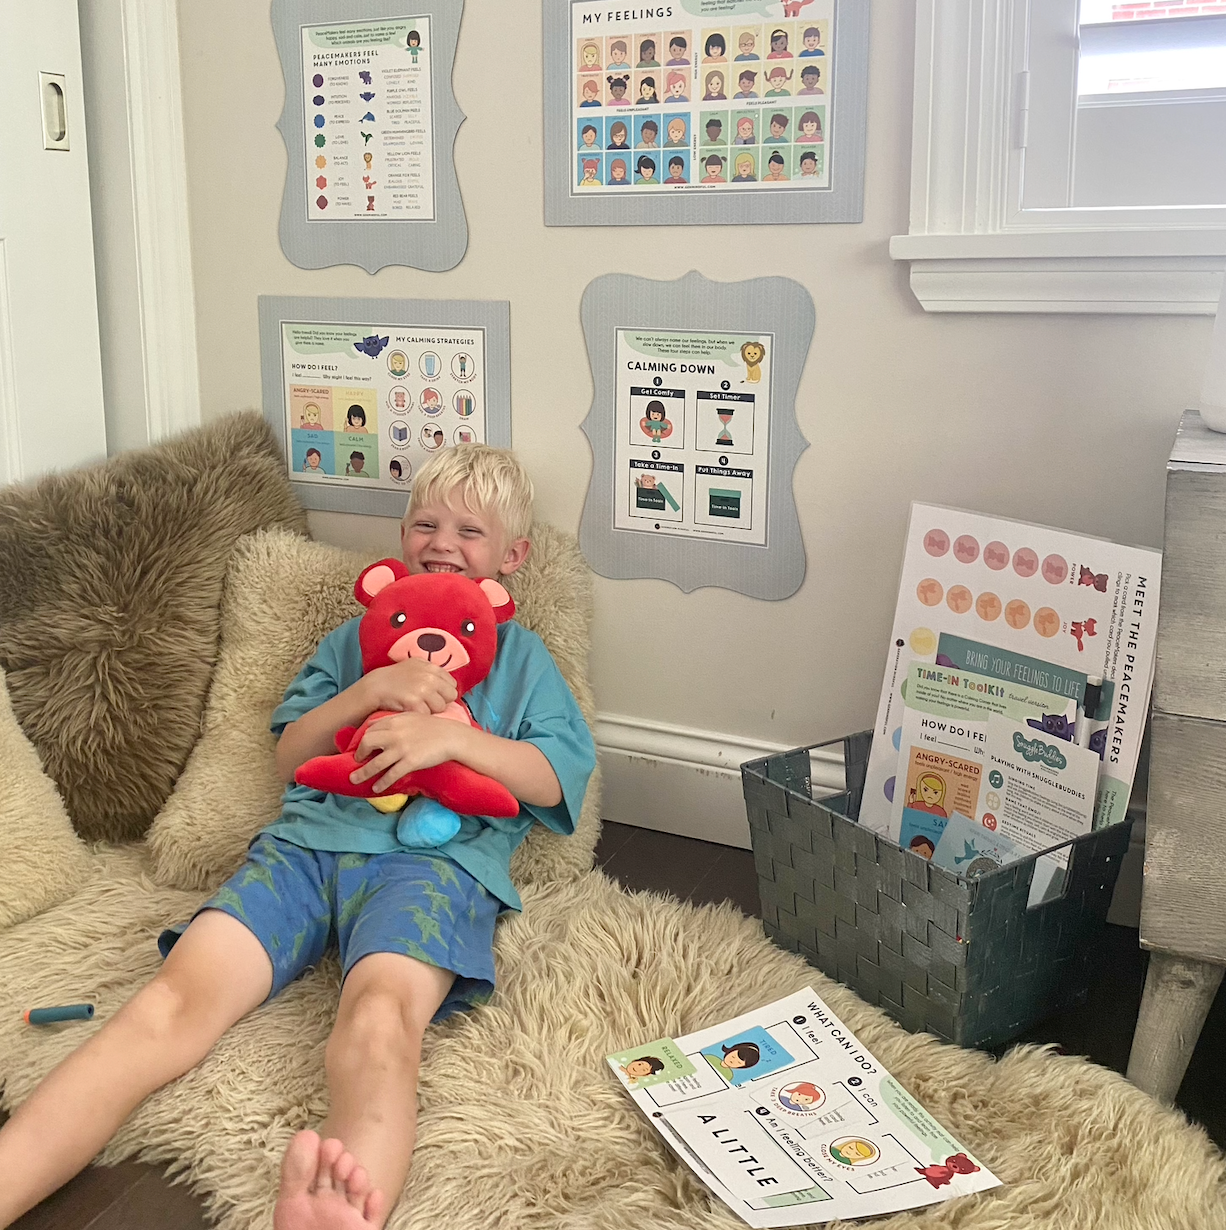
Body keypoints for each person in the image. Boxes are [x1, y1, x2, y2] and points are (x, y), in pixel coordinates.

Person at [0, 444, 597, 1230]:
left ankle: (339, 1212)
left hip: (433, 866)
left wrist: (452, 743)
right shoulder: (359, 638)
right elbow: (293, 754)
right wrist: (371, 691)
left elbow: (554, 778)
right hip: (304, 848)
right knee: (169, 1003)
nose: (442, 541)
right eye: (425, 522)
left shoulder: (522, 660)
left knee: (379, 1021)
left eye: (469, 530)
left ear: (510, 560)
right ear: (400, 539)